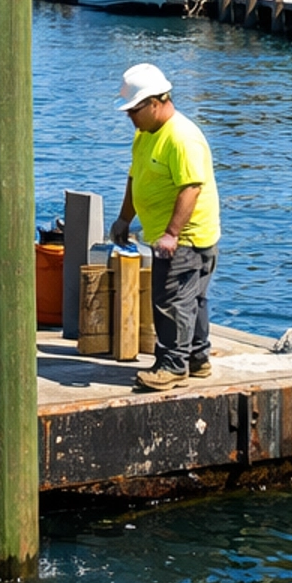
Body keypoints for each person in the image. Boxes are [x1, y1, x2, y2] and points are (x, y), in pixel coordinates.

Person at [108, 62, 221, 392]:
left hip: (186, 238)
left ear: (156, 102)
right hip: (173, 236)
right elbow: (136, 177)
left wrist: (172, 234)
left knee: (171, 300)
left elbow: (191, 187)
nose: (130, 116)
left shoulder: (182, 137)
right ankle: (197, 358)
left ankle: (172, 366)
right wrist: (124, 218)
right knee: (192, 299)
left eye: (135, 109)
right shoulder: (145, 135)